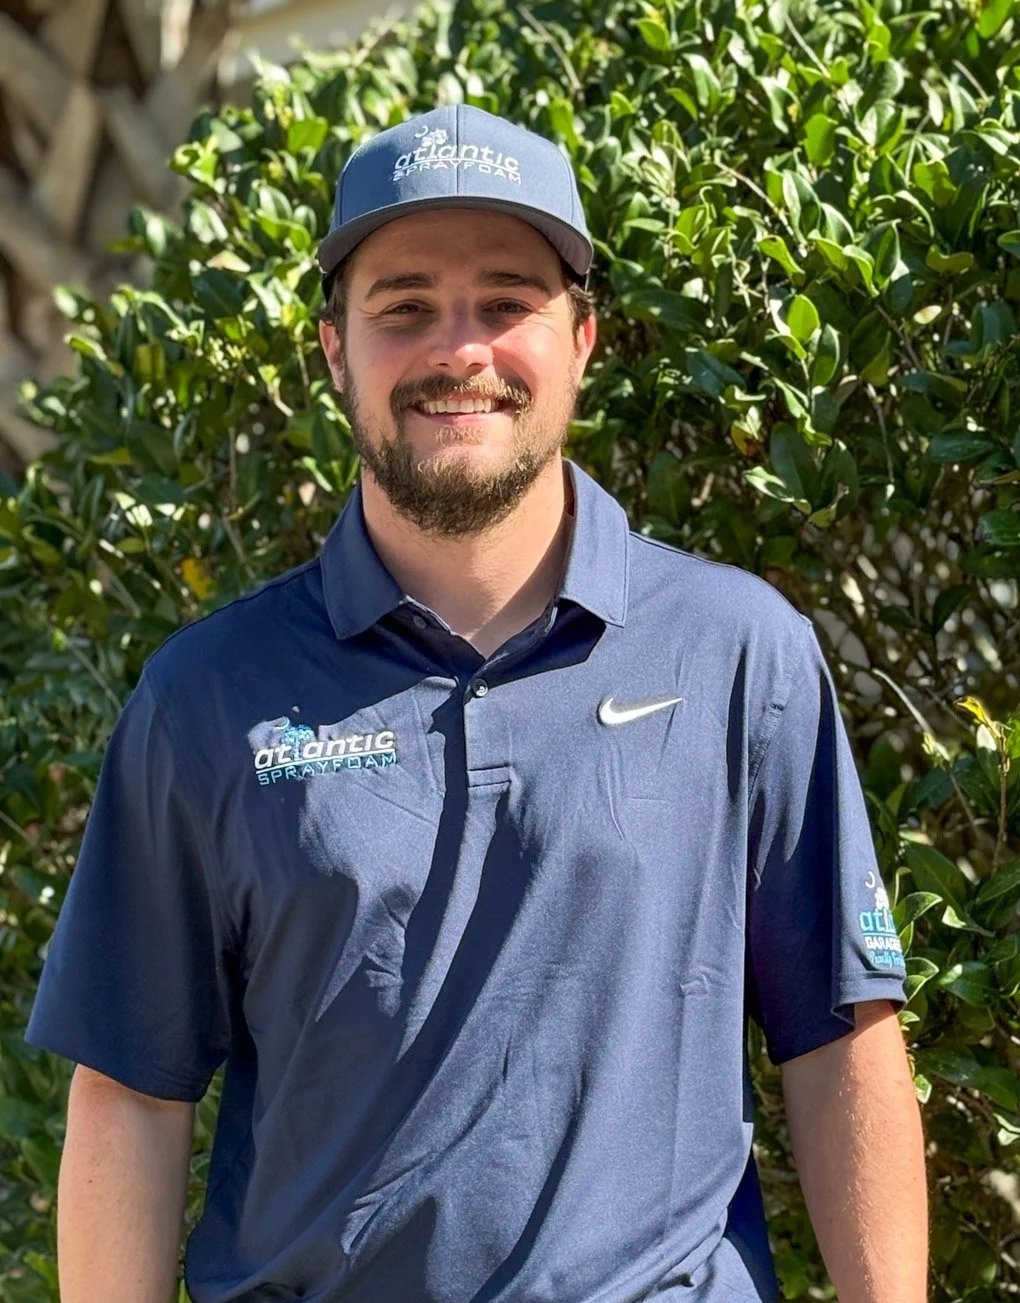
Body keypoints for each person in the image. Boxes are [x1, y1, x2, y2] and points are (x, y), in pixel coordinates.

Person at [27, 105, 927, 1303]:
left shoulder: (738, 654)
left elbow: (842, 1038)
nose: (461, 351)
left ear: (583, 338)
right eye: (405, 308)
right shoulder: (206, 699)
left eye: (506, 302)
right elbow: (130, 1094)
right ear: (335, 350)